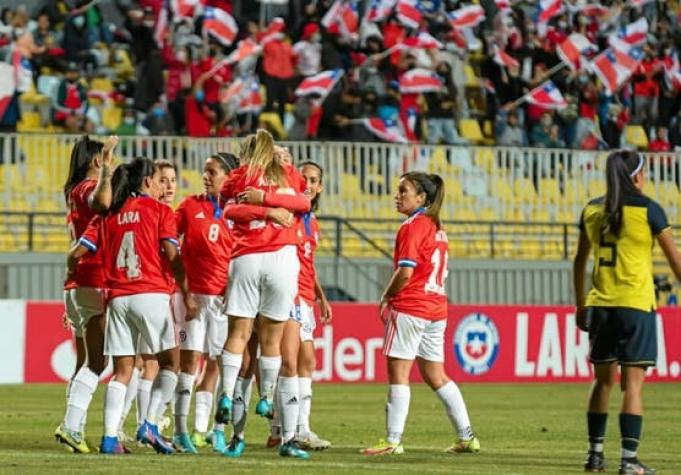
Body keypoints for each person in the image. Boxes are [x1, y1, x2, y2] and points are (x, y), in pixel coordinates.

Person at [69, 157, 197, 455]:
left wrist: (69, 274)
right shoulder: (160, 210)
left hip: (117, 298)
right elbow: (171, 253)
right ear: (148, 181)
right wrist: (187, 290)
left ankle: (110, 438)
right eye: (156, 178)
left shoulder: (107, 215)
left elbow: (76, 254)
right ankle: (149, 423)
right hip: (151, 293)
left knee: (122, 370)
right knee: (170, 363)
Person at [573, 150, 681, 475]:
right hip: (635, 305)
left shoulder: (592, 209)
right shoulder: (650, 210)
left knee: (602, 381)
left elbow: (579, 261)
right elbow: (676, 264)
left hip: (601, 306)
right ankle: (630, 462)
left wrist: (581, 304)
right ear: (637, 176)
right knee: (632, 386)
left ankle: (594, 456)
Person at [363, 172, 480, 456]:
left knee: (399, 373)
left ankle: (392, 440)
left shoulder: (412, 226)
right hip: (436, 308)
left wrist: (387, 296)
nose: (397, 195)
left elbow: (405, 272)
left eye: (403, 190)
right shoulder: (437, 226)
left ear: (421, 198)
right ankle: (467, 436)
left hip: (411, 308)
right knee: (435, 374)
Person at [217, 130, 311, 459]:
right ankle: (268, 398)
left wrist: (260, 205)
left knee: (239, 337)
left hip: (245, 258)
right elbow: (303, 202)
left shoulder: (238, 176)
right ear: (274, 154)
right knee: (274, 344)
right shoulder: (289, 175)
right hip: (283, 261)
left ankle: (226, 396)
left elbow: (227, 211)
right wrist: (272, 208)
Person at [171, 153, 239, 454]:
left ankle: (205, 430)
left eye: (212, 172)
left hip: (224, 300)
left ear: (229, 176)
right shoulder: (189, 206)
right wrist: (184, 292)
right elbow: (169, 245)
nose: (206, 176)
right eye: (205, 171)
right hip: (193, 297)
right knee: (188, 363)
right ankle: (180, 429)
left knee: (214, 365)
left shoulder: (240, 212)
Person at [54, 135, 117, 454]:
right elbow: (103, 203)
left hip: (77, 284)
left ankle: (71, 424)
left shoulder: (72, 192)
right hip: (92, 280)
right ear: (95, 161)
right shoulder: (85, 189)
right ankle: (72, 426)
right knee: (97, 362)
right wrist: (108, 168)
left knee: (84, 362)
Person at [267, 160, 333, 452]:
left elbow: (309, 263)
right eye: (303, 177)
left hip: (306, 296)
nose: (308, 183)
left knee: (301, 362)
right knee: (299, 360)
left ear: (320, 187)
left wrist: (320, 295)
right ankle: (299, 429)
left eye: (314, 179)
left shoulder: (311, 222)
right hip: (290, 294)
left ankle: (280, 428)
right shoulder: (288, 215)